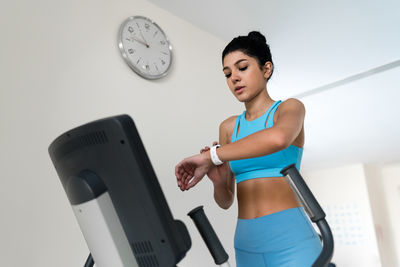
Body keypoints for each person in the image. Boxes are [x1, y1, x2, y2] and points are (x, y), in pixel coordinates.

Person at [175, 31, 322, 267]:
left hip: (293, 241)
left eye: (242, 67)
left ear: (266, 69)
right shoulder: (229, 127)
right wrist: (218, 180)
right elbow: (225, 202)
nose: (234, 78)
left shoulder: (289, 109)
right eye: (227, 73)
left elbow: (278, 138)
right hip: (247, 244)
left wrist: (211, 156)